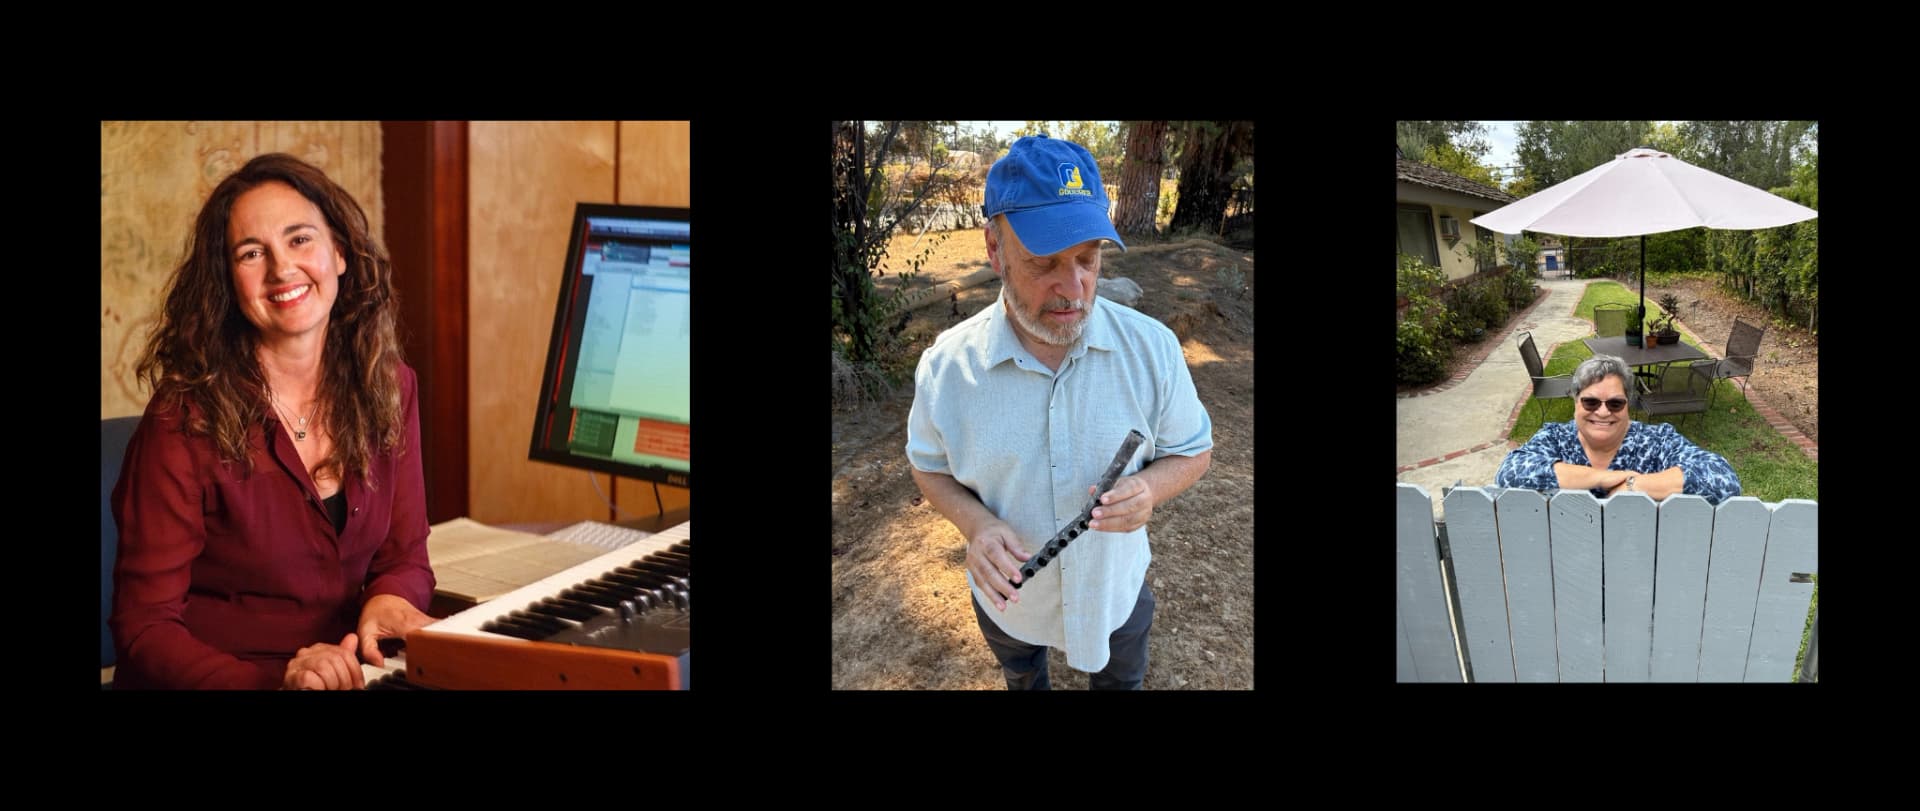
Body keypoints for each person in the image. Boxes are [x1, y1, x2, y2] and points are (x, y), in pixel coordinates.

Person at [111, 153, 435, 689]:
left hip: (348, 678)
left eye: (300, 239)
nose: (282, 268)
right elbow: (144, 627)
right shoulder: (182, 420)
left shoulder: (389, 386)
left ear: (339, 252)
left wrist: (390, 599)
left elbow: (405, 556)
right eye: (252, 252)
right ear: (228, 283)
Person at [905, 134, 1213, 690]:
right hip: (1010, 605)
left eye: (1088, 259)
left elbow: (1193, 451)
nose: (1073, 288)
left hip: (1116, 592)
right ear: (994, 249)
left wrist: (1151, 490)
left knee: (1121, 683)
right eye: (1043, 261)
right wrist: (976, 525)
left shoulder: (1154, 350)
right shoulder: (947, 369)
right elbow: (928, 467)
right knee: (1023, 680)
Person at [1496, 354, 1741, 504]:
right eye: (1590, 401)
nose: (1603, 412)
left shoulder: (1655, 441)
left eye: (1615, 403)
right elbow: (1509, 473)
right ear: (1575, 400)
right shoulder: (1555, 437)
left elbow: (1722, 479)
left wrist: (1634, 485)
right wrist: (1605, 478)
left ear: (1627, 405)